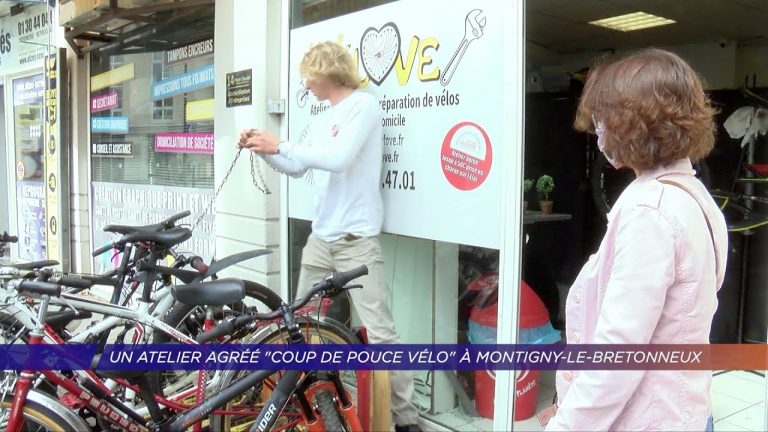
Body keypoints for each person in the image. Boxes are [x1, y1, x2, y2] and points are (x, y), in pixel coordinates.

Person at [238, 41, 422, 432]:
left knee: (382, 336)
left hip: (356, 241)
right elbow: (297, 166)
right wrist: (264, 149)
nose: (305, 84)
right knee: (302, 327)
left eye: (308, 75)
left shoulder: (363, 106)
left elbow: (339, 159)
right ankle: (321, 403)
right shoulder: (322, 118)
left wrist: (281, 143)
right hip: (321, 239)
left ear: (324, 73)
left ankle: (406, 422)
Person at [544, 49, 728, 431]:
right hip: (687, 410)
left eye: (603, 120)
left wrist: (566, 425)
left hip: (646, 419)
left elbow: (618, 353)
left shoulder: (650, 209)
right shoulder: (695, 197)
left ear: (634, 124)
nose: (598, 131)